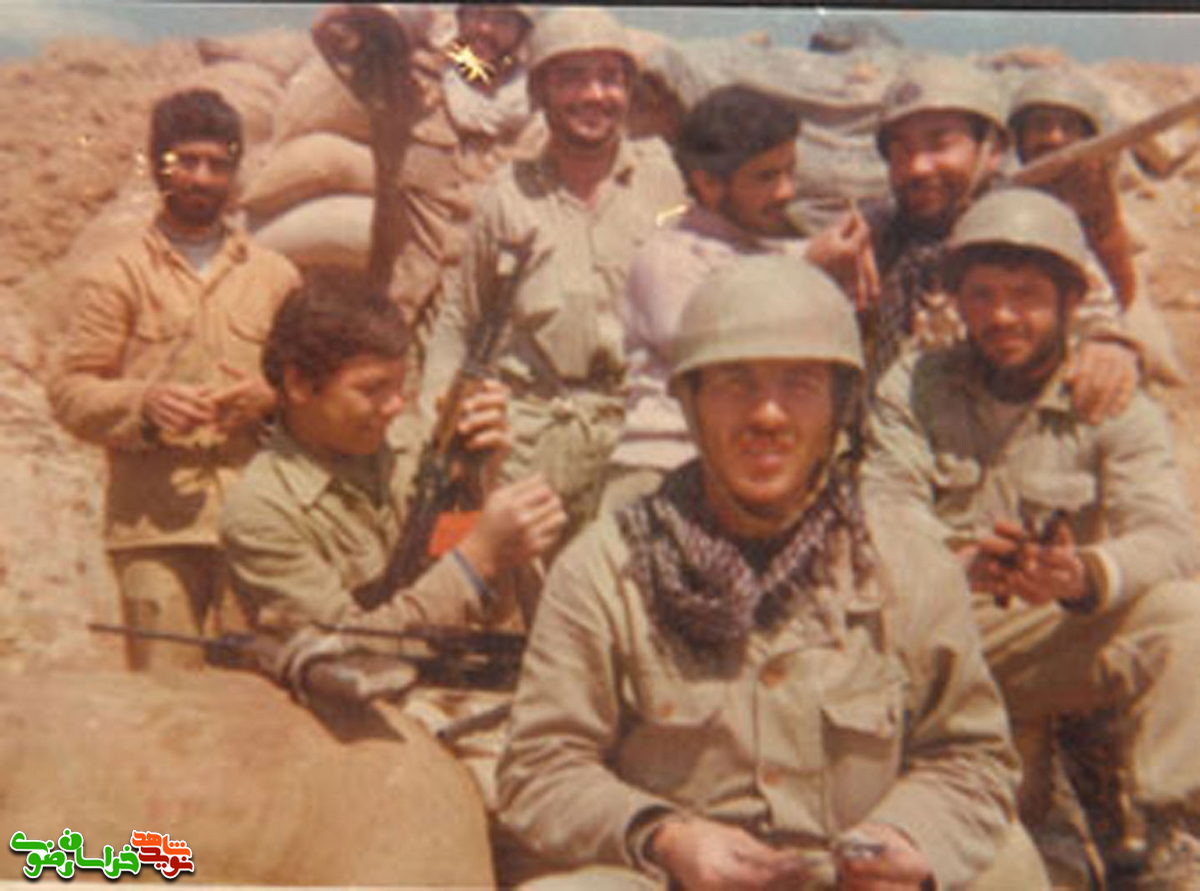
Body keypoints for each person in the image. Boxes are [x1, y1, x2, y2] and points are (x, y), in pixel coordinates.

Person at [498, 254, 1046, 890]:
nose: (768, 415)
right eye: (735, 384)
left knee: (1007, 866)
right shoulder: (606, 567)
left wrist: (906, 839)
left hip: (857, 879)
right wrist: (666, 837)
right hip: (681, 880)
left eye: (799, 385)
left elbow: (971, 755)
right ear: (691, 404)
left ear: (839, 407)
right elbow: (540, 768)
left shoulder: (908, 562)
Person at [862, 187, 1200, 887]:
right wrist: (957, 563)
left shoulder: (1110, 395)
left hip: (1048, 633)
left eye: (1026, 296)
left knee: (1184, 615)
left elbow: (1169, 535)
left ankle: (1173, 832)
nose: (1002, 316)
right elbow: (886, 507)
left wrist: (1085, 574)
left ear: (1071, 301)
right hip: (935, 639)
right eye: (981, 295)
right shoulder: (915, 383)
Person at [48, 88, 301, 671]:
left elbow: (309, 390)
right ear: (159, 165)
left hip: (258, 521)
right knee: (167, 700)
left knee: (260, 699)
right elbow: (70, 391)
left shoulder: (276, 277)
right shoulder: (116, 273)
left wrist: (269, 400)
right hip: (154, 529)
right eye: (186, 161)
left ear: (235, 172)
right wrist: (144, 404)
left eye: (217, 164)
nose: (202, 178)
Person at [420, 6, 686, 547]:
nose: (594, 95)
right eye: (572, 78)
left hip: (635, 434)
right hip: (529, 438)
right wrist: (435, 426)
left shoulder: (661, 182)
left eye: (610, 78)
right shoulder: (506, 196)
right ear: (540, 91)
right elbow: (461, 319)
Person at [219, 284, 565, 693]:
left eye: (400, 387)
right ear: (300, 385)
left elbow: (490, 609)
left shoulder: (410, 448)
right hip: (346, 710)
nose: (395, 406)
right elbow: (346, 652)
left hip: (454, 686)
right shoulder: (260, 510)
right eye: (372, 389)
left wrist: (480, 481)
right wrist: (477, 558)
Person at [602, 84, 874, 512]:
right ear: (708, 184)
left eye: (789, 172)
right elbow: (718, 346)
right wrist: (809, 271)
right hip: (663, 465)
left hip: (758, 464)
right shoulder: (667, 259)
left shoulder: (777, 250)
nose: (786, 192)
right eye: (766, 177)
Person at [863, 57, 1138, 422]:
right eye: (901, 153)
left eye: (939, 145)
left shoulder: (1028, 231)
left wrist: (1107, 347)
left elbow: (1097, 318)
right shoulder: (880, 234)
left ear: (992, 151)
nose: (917, 167)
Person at [312, 3, 544, 332]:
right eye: (477, 14)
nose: (485, 29)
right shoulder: (406, 86)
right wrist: (413, 19)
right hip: (399, 318)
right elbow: (331, 34)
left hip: (485, 325)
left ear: (522, 31)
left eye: (502, 19)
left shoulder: (536, 113)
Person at [1008, 69, 1188, 386]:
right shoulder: (999, 194)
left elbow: (1121, 293)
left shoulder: (1098, 197)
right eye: (1041, 126)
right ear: (1019, 139)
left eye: (1069, 127)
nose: (1054, 138)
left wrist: (1098, 217)